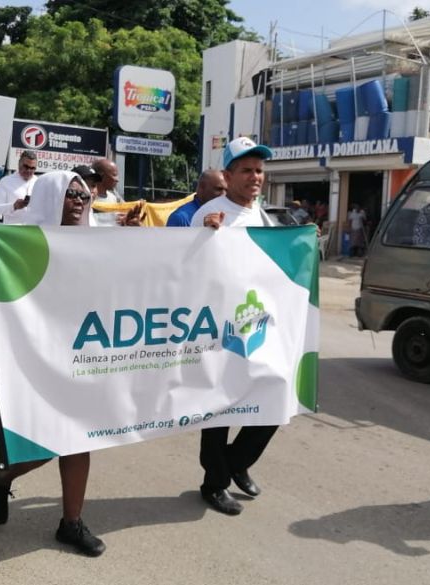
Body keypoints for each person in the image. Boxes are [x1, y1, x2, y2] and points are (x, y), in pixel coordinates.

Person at [0, 171, 107, 557]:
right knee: (42, 443)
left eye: (83, 195)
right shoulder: (20, 241)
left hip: (83, 353)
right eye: (70, 193)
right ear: (52, 195)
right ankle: (2, 476)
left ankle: (71, 523)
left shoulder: (101, 242)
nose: (78, 201)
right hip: (34, 357)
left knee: (80, 439)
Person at [189, 136, 279, 516]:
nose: (255, 176)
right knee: (220, 409)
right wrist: (203, 237)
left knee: (274, 397)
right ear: (229, 174)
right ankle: (214, 483)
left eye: (259, 170)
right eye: (246, 170)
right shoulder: (210, 213)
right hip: (217, 328)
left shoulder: (263, 216)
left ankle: (235, 462)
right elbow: (184, 265)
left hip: (256, 322)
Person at [0, 151, 37, 223]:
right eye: (26, 166)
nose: (29, 170)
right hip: (12, 231)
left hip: (34, 230)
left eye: (32, 168)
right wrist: (14, 206)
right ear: (19, 163)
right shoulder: (6, 181)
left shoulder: (39, 181)